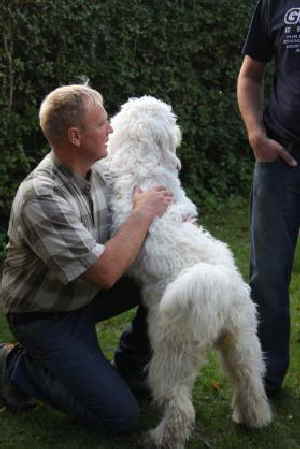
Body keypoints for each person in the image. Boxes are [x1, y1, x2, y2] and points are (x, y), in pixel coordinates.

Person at [0, 83, 173, 434]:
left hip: (83, 295)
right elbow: (106, 272)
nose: (111, 129)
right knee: (119, 417)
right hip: (45, 316)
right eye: (102, 123)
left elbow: (141, 217)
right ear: (76, 136)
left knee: (164, 273)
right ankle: (13, 364)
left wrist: (173, 218)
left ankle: (131, 365)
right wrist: (143, 215)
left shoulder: (101, 169)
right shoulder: (42, 196)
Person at [237, 0, 300, 398]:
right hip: (281, 162)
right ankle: (266, 378)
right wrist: (256, 134)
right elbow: (250, 74)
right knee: (268, 278)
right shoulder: (277, 3)